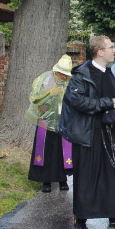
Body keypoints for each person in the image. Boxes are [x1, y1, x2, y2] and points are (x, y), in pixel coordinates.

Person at [59, 35, 115, 229]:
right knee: (86, 178)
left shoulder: (108, 73)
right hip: (87, 133)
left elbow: (112, 95)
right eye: (111, 47)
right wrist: (108, 102)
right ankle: (81, 219)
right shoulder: (81, 74)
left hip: (108, 132)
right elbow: (77, 101)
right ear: (100, 51)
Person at [26, 55, 75, 193]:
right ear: (56, 71)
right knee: (45, 150)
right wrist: (49, 93)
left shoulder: (71, 82)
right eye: (62, 74)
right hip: (45, 121)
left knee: (63, 151)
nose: (64, 77)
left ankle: (62, 180)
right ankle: (45, 181)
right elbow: (35, 99)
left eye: (66, 74)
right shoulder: (45, 79)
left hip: (63, 121)